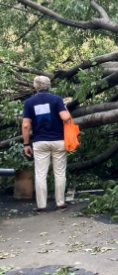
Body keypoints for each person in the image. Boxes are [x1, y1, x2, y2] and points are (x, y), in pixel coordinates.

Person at [22, 76, 71, 213]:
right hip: (58, 141)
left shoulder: (29, 102)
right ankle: (60, 204)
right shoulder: (56, 99)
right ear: (49, 86)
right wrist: (65, 108)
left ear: (35, 87)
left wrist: (26, 144)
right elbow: (65, 118)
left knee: (40, 174)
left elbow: (26, 125)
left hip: (40, 142)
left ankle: (41, 206)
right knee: (60, 173)